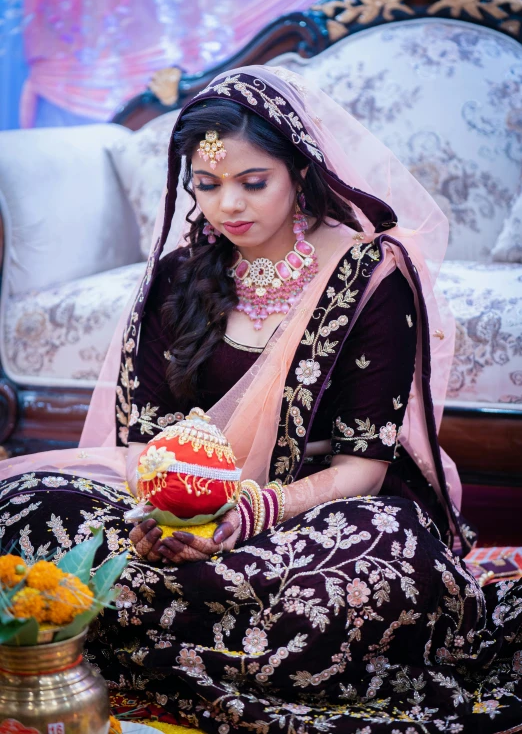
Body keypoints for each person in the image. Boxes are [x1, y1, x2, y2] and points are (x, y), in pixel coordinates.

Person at [1, 66, 521, 732]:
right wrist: (165, 520)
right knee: (27, 506)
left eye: (253, 182)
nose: (229, 206)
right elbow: (139, 441)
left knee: (385, 563)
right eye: (207, 185)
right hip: (176, 520)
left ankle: (141, 627)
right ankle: (205, 624)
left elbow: (362, 471)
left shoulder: (368, 277)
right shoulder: (180, 276)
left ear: (298, 173)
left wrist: (251, 513)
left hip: (316, 517)